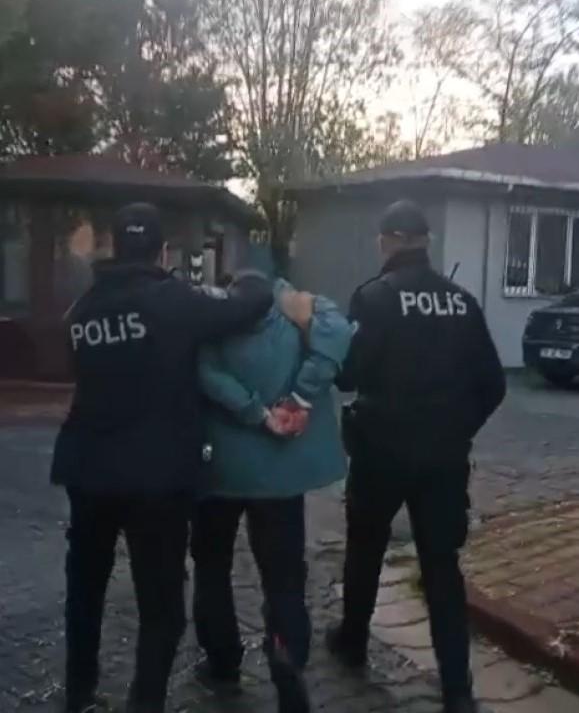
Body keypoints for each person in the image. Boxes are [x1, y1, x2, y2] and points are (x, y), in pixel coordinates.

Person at [51, 204, 273, 713]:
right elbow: (250, 303)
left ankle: (79, 695)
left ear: (113, 246)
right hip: (156, 477)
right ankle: (145, 702)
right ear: (163, 251)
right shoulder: (174, 300)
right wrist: (247, 278)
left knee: (85, 589)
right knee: (162, 607)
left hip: (88, 469)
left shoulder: (82, 310)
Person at [325, 201, 506, 713]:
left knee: (365, 547)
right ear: (426, 243)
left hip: (380, 452)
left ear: (389, 240)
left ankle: (353, 640)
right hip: (443, 460)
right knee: (442, 566)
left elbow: (348, 376)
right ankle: (457, 689)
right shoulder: (462, 302)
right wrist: (456, 430)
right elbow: (493, 385)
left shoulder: (374, 298)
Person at [191, 271, 353, 713]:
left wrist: (256, 413)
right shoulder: (296, 313)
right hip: (279, 479)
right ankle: (286, 654)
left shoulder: (214, 322)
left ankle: (222, 659)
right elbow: (339, 334)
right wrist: (301, 397)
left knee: (211, 566)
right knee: (283, 576)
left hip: (218, 470)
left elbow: (206, 375)